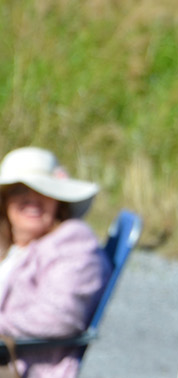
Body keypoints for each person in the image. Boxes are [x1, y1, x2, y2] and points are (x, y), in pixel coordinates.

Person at [0, 147, 107, 378]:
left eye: (42, 190)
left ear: (58, 200)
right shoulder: (13, 244)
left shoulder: (72, 242)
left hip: (23, 366)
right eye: (19, 190)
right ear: (5, 201)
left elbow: (59, 316)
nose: (31, 200)